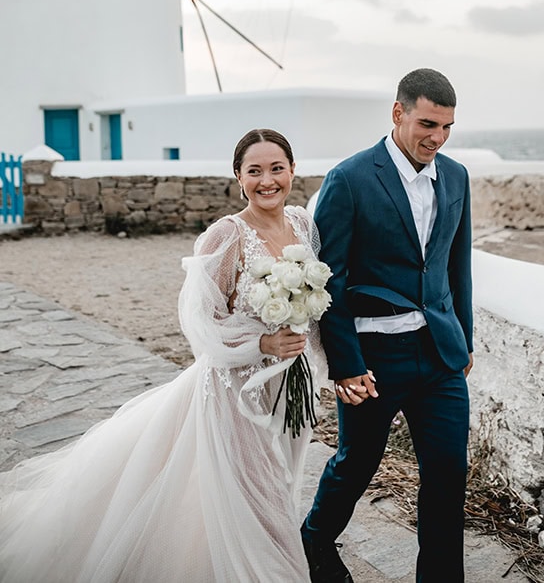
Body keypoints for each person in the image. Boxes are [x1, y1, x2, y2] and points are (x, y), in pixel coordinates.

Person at [0, 129, 326, 583]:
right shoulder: (226, 237)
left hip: (289, 388)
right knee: (259, 494)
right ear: (238, 177)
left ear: (293, 170)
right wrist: (261, 345)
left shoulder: (304, 225)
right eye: (254, 171)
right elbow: (201, 326)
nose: (267, 180)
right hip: (236, 394)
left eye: (277, 169)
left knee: (281, 483)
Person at [302, 68, 473, 583]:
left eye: (446, 127)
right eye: (427, 123)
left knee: (447, 477)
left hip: (441, 356)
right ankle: (313, 540)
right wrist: (345, 365)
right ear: (398, 113)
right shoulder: (350, 178)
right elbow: (330, 281)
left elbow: (455, 267)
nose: (436, 138)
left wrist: (464, 342)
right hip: (374, 360)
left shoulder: (458, 176)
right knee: (356, 464)